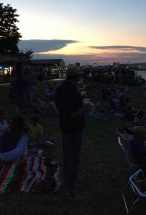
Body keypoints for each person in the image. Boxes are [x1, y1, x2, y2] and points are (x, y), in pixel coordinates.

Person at [54, 67, 87, 199]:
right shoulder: (71, 91)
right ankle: (71, 190)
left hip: (65, 127)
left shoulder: (60, 87)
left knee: (67, 156)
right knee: (74, 158)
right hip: (74, 128)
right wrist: (84, 106)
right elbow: (74, 113)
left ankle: (66, 182)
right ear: (77, 77)